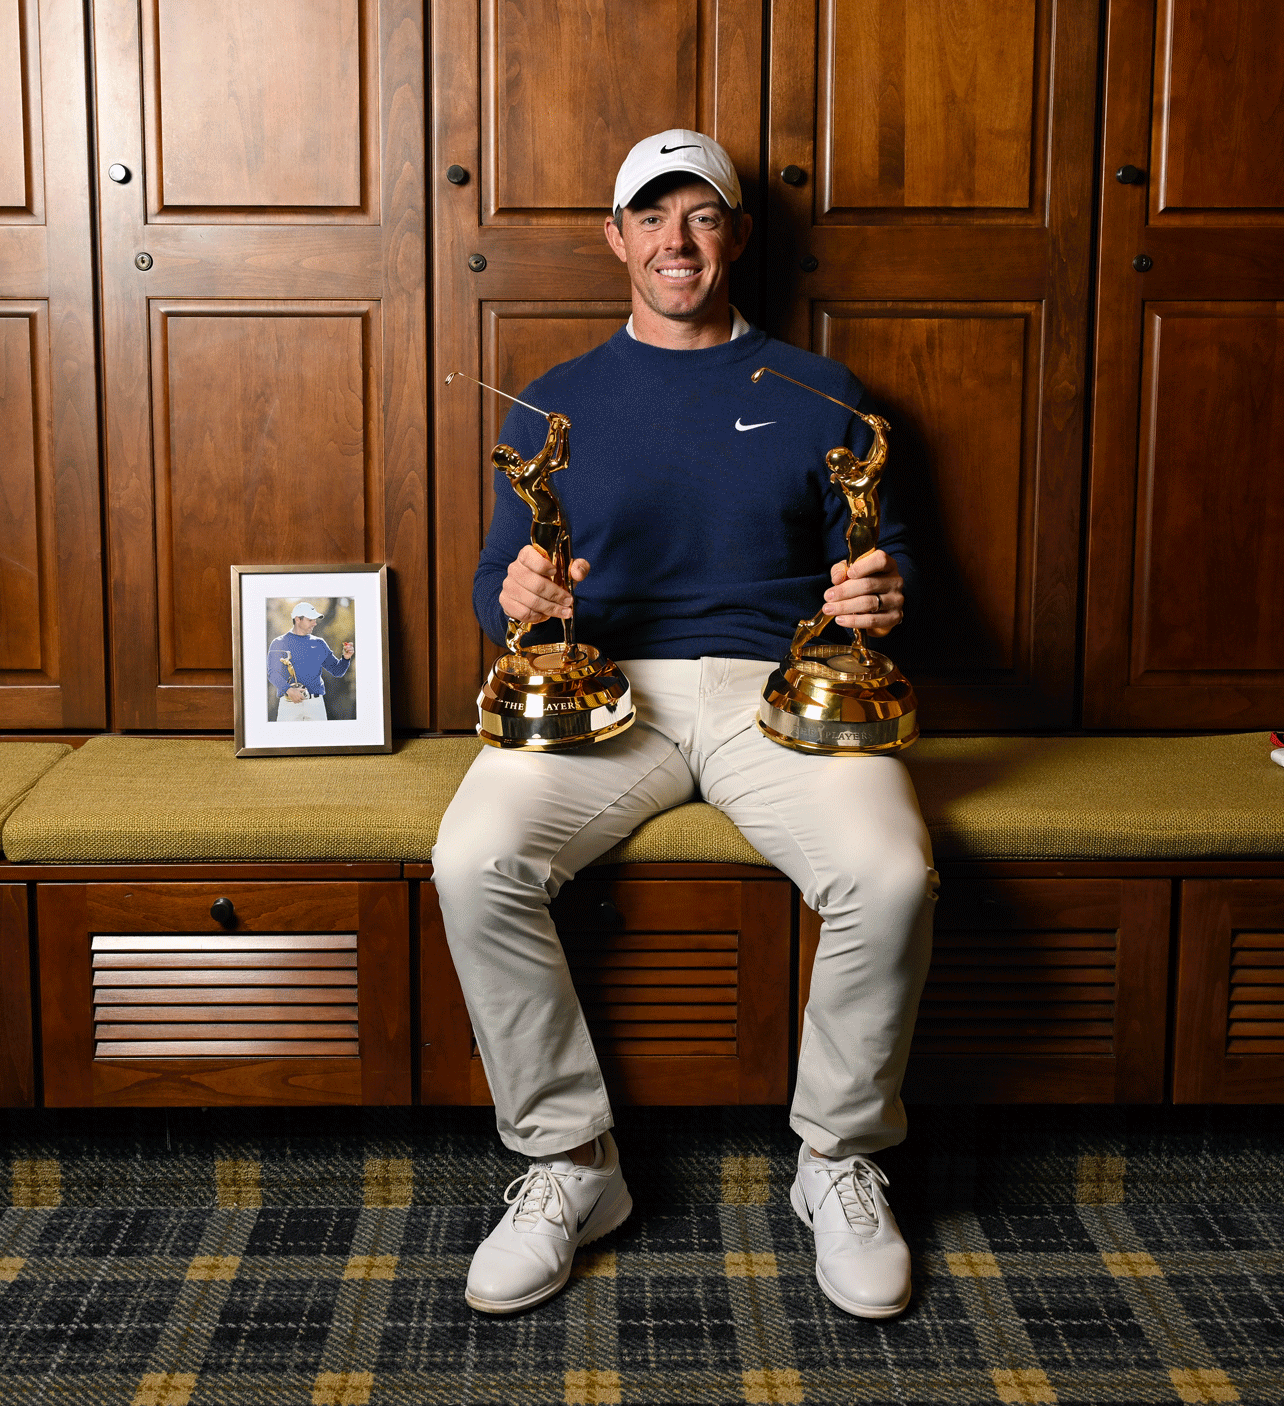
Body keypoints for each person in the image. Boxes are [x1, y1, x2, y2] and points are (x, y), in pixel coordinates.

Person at [432, 129, 937, 1320]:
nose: (675, 241)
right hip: (610, 695)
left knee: (892, 873)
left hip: (779, 698)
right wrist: (515, 599)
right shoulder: (556, 399)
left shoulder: (821, 389)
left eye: (699, 216)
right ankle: (569, 1163)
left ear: (735, 236)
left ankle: (835, 1161)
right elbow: (495, 580)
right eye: (650, 218)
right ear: (616, 239)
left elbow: (883, 553)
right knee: (472, 859)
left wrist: (878, 589)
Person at [266, 601, 353, 721]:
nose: (314, 623)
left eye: (315, 620)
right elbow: (272, 673)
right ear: (297, 619)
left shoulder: (319, 644)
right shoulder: (278, 643)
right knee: (287, 739)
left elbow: (337, 671)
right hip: (289, 704)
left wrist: (346, 658)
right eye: (310, 620)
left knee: (320, 739)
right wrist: (289, 690)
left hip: (316, 706)